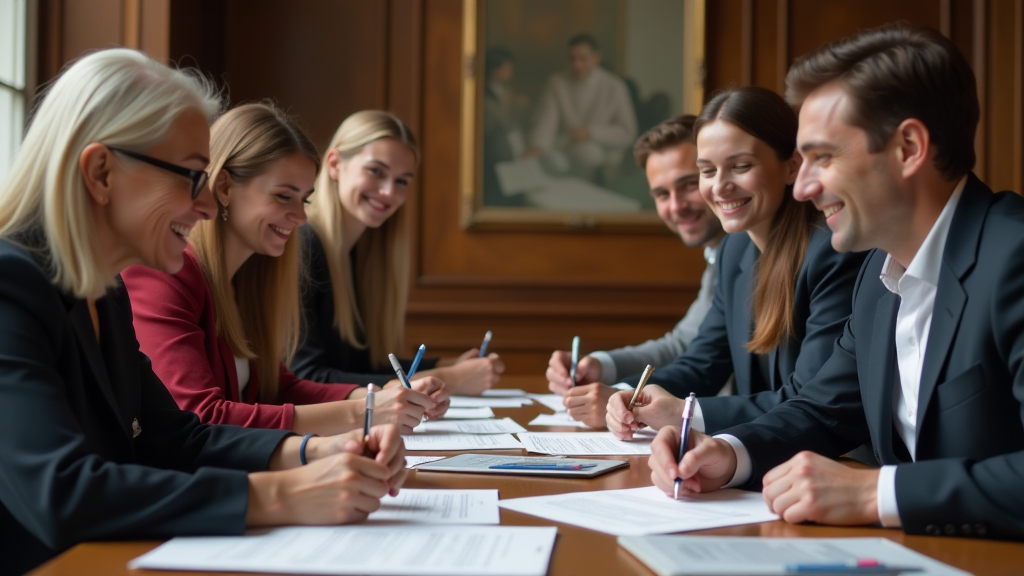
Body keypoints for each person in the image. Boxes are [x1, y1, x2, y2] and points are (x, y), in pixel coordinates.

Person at [0, 49, 406, 576]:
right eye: (192, 177)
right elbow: (62, 492)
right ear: (101, 172)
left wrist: (320, 453)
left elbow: (178, 438)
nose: (209, 207)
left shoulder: (105, 292)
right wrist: (281, 494)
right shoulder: (10, 286)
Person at [650, 25, 1024, 541]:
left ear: (908, 148)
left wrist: (875, 492)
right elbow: (825, 408)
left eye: (822, 158)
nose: (802, 186)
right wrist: (729, 454)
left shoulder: (1015, 256)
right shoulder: (878, 272)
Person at [123, 103, 449, 436]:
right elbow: (202, 417)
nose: (301, 216)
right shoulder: (166, 274)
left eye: (304, 199)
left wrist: (380, 396)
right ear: (223, 188)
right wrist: (363, 412)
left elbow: (280, 388)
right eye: (283, 196)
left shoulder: (249, 281)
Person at [606, 87, 866, 437]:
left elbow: (808, 401)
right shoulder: (735, 250)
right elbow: (702, 364)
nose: (720, 187)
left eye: (740, 166)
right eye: (707, 170)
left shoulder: (832, 251)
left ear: (791, 167)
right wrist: (626, 395)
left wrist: (686, 412)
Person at [290, 110, 504, 396]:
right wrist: (447, 377)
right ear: (334, 164)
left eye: (402, 181)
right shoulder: (303, 245)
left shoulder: (362, 255)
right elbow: (307, 377)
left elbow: (359, 365)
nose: (389, 192)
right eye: (375, 171)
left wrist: (447, 364)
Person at [545, 115, 727, 427]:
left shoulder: (739, 250)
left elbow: (696, 357)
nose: (676, 206)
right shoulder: (721, 253)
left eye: (688, 185)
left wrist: (622, 396)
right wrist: (601, 366)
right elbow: (685, 344)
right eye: (662, 194)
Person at [523, 34, 637, 179]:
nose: (577, 65)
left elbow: (627, 133)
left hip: (602, 153)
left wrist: (591, 132)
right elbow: (546, 122)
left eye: (583, 59)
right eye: (572, 58)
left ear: (596, 57)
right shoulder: (557, 83)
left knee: (587, 154)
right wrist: (537, 145)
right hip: (564, 147)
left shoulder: (615, 86)